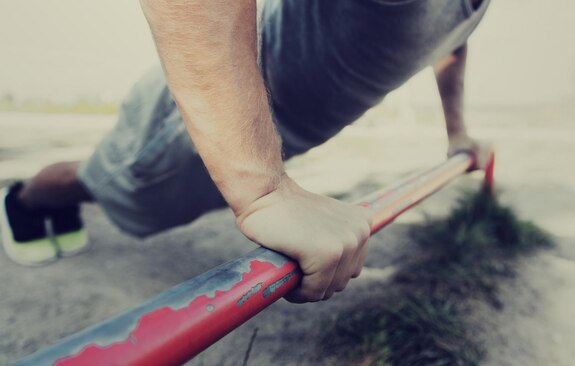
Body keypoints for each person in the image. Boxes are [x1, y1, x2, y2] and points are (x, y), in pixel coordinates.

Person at [0, 0, 492, 303]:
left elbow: (451, 41)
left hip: (273, 137)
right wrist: (263, 190)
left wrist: (457, 131)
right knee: (106, 183)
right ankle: (21, 202)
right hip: (217, 109)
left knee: (149, 202)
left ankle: (57, 209)